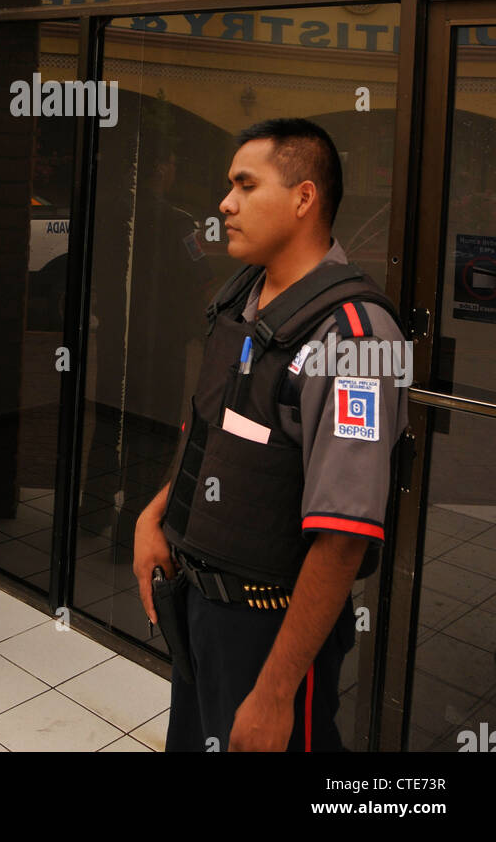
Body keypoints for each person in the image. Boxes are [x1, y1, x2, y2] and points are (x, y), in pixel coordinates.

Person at [133, 118, 407, 751]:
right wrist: (157, 515)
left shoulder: (355, 340)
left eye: (245, 185)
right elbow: (215, 427)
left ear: (304, 198)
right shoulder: (242, 297)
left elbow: (343, 537)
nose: (224, 204)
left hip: (271, 630)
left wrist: (277, 693)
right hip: (197, 601)